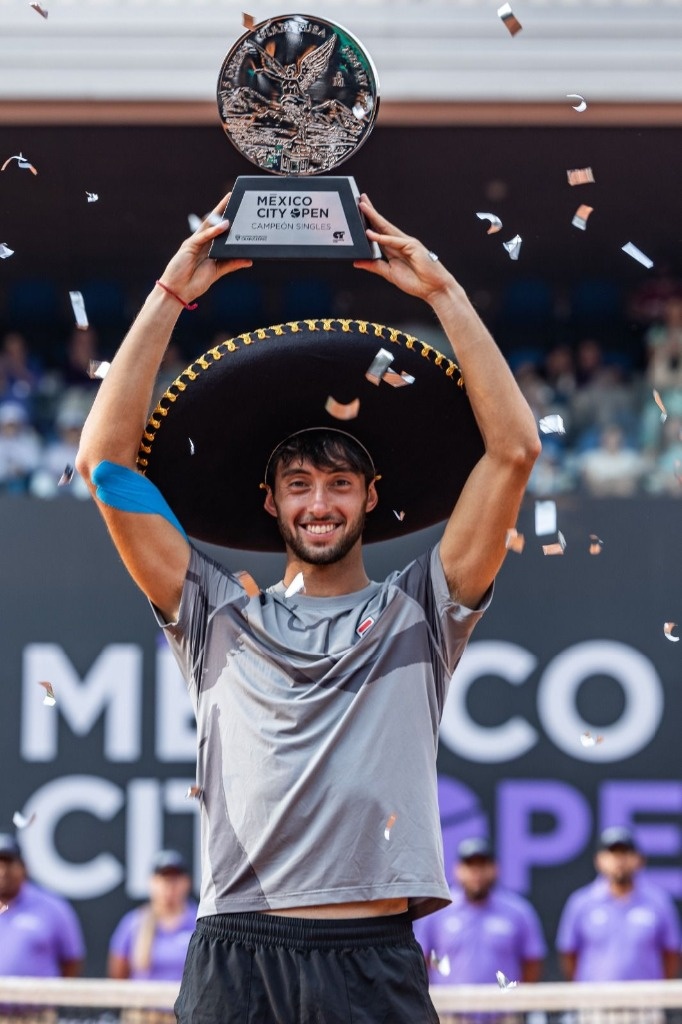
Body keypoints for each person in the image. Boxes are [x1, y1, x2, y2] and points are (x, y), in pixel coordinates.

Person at [75, 194, 540, 1023]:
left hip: (372, 963)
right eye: (298, 484)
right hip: (235, 954)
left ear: (370, 497)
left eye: (338, 483)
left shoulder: (420, 614)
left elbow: (514, 450)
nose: (318, 503)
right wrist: (169, 296)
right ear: (271, 503)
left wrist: (443, 295)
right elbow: (104, 467)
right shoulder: (212, 616)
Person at [413, 837, 546, 986]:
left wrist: (516, 1001)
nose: (477, 873)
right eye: (470, 866)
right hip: (447, 1006)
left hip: (503, 1006)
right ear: (457, 870)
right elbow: (421, 959)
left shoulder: (518, 912)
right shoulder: (436, 910)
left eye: (482, 865)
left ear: (495, 869)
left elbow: (531, 961)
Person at [556, 826, 681, 981]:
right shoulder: (581, 903)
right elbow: (569, 954)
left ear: (639, 859)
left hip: (645, 1000)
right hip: (594, 1000)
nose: (619, 860)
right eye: (612, 854)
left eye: (625, 853)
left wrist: (656, 992)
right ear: (598, 860)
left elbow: (671, 953)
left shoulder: (659, 902)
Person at [0, 832, 85, 977]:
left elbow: (72, 960)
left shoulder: (53, 908)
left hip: (35, 999)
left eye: (9, 863)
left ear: (24, 868)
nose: (3, 872)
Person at [108, 849, 197, 980]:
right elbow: (117, 974)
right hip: (143, 1000)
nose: (169, 886)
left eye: (175, 880)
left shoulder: (199, 923)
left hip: (186, 1000)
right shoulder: (134, 922)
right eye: (164, 880)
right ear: (152, 883)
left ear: (187, 883)